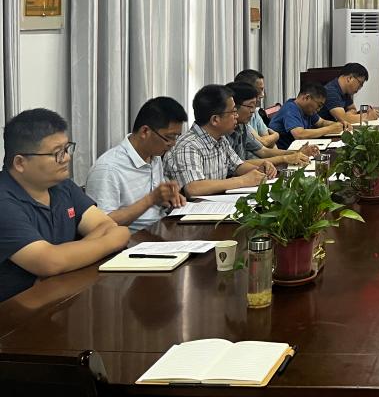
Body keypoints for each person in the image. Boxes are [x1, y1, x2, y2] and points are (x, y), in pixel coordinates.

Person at [0, 109, 130, 303]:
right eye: (57, 153)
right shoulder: (4, 201)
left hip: (60, 298)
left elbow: (106, 225)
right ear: (20, 163)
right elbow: (48, 261)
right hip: (15, 312)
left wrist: (63, 261)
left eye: (67, 149)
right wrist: (112, 240)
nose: (67, 158)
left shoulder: (62, 186)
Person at [85, 97, 188, 232]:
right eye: (169, 137)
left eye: (176, 137)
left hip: (158, 228)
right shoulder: (108, 168)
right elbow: (101, 224)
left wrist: (168, 198)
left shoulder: (155, 157)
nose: (173, 144)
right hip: (131, 239)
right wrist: (151, 199)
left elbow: (155, 206)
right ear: (145, 131)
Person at [164, 84, 278, 197]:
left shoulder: (220, 139)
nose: (236, 116)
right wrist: (243, 180)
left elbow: (238, 166)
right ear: (215, 119)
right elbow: (193, 188)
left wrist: (260, 170)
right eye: (233, 112)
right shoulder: (188, 145)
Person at [224, 82, 317, 167]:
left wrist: (296, 153)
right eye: (250, 106)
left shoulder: (242, 126)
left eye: (254, 106)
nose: (253, 111)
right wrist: (284, 158)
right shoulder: (223, 132)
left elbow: (263, 151)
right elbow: (238, 164)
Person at [270, 83, 346, 149]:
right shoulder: (290, 109)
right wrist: (329, 129)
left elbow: (321, 122)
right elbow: (299, 135)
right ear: (307, 98)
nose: (319, 109)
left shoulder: (306, 109)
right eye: (319, 105)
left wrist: (338, 124)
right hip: (283, 153)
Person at [234, 68, 279, 148]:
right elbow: (264, 143)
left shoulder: (255, 112)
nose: (262, 95)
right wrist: (276, 135)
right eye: (259, 90)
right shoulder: (239, 118)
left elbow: (270, 143)